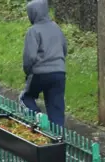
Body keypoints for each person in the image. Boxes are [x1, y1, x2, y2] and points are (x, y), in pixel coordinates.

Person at [19, 0, 68, 128]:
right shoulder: (56, 28)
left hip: (40, 73)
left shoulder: (33, 31)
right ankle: (58, 139)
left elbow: (30, 56)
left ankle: (37, 117)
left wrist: (28, 71)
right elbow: (64, 49)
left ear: (32, 14)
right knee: (56, 106)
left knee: (26, 97)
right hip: (59, 73)